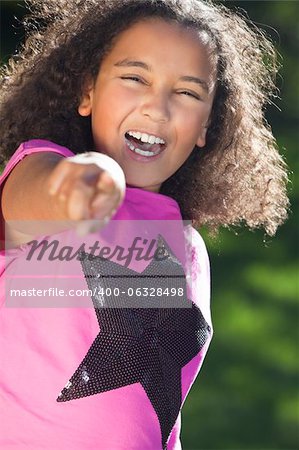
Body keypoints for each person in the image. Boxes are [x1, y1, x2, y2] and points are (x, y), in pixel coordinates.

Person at [0, 0, 289, 449]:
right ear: (87, 93)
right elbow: (37, 199)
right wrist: (90, 180)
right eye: (135, 78)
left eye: (188, 92)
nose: (158, 108)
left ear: (205, 126)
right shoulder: (39, 168)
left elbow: (156, 412)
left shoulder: (189, 246)